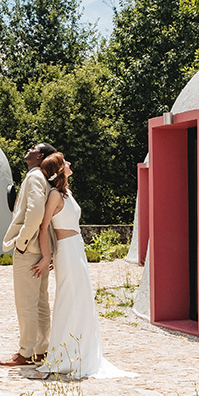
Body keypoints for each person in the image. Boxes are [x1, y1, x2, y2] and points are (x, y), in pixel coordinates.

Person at [31, 153, 132, 379]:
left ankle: (81, 351)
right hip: (66, 250)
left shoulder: (67, 193)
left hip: (77, 248)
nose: (69, 164)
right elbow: (43, 226)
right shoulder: (55, 195)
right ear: (58, 169)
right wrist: (47, 256)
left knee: (83, 298)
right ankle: (63, 354)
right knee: (69, 298)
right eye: (65, 162)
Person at [0, 142, 58, 367]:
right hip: (40, 250)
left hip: (29, 250)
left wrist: (21, 243)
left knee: (26, 303)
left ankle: (25, 353)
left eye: (33, 147)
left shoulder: (34, 177)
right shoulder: (43, 178)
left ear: (40, 155)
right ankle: (41, 349)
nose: (28, 149)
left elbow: (35, 213)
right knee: (40, 302)